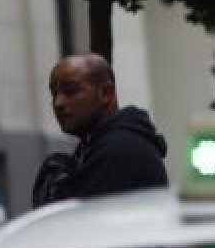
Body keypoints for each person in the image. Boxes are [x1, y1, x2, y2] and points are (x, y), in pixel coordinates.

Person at [33, 53, 168, 207]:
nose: (58, 103)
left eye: (70, 90)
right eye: (54, 94)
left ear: (106, 93)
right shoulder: (96, 145)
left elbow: (72, 217)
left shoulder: (120, 148)